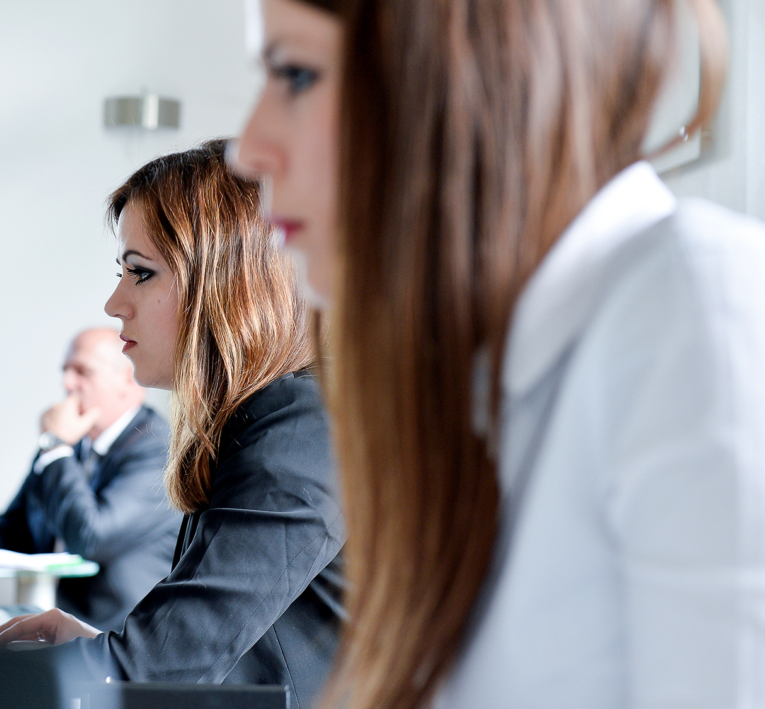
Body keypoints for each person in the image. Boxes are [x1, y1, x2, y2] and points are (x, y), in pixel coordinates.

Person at [233, 1, 765, 709]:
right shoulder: (470, 387)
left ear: (471, 71)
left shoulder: (692, 302)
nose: (248, 145)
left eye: (296, 73)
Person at [0, 140, 345, 709]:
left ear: (224, 286)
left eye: (140, 273)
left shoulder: (300, 432)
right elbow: (187, 659)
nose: (114, 303)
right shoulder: (267, 425)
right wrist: (99, 646)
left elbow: (153, 667)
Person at [0, 328, 178, 632]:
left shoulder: (157, 447)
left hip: (124, 638)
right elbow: (17, 531)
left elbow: (90, 538)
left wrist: (56, 448)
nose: (67, 384)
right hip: (61, 629)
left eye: (83, 372)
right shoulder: (66, 444)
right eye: (65, 371)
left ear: (127, 381)